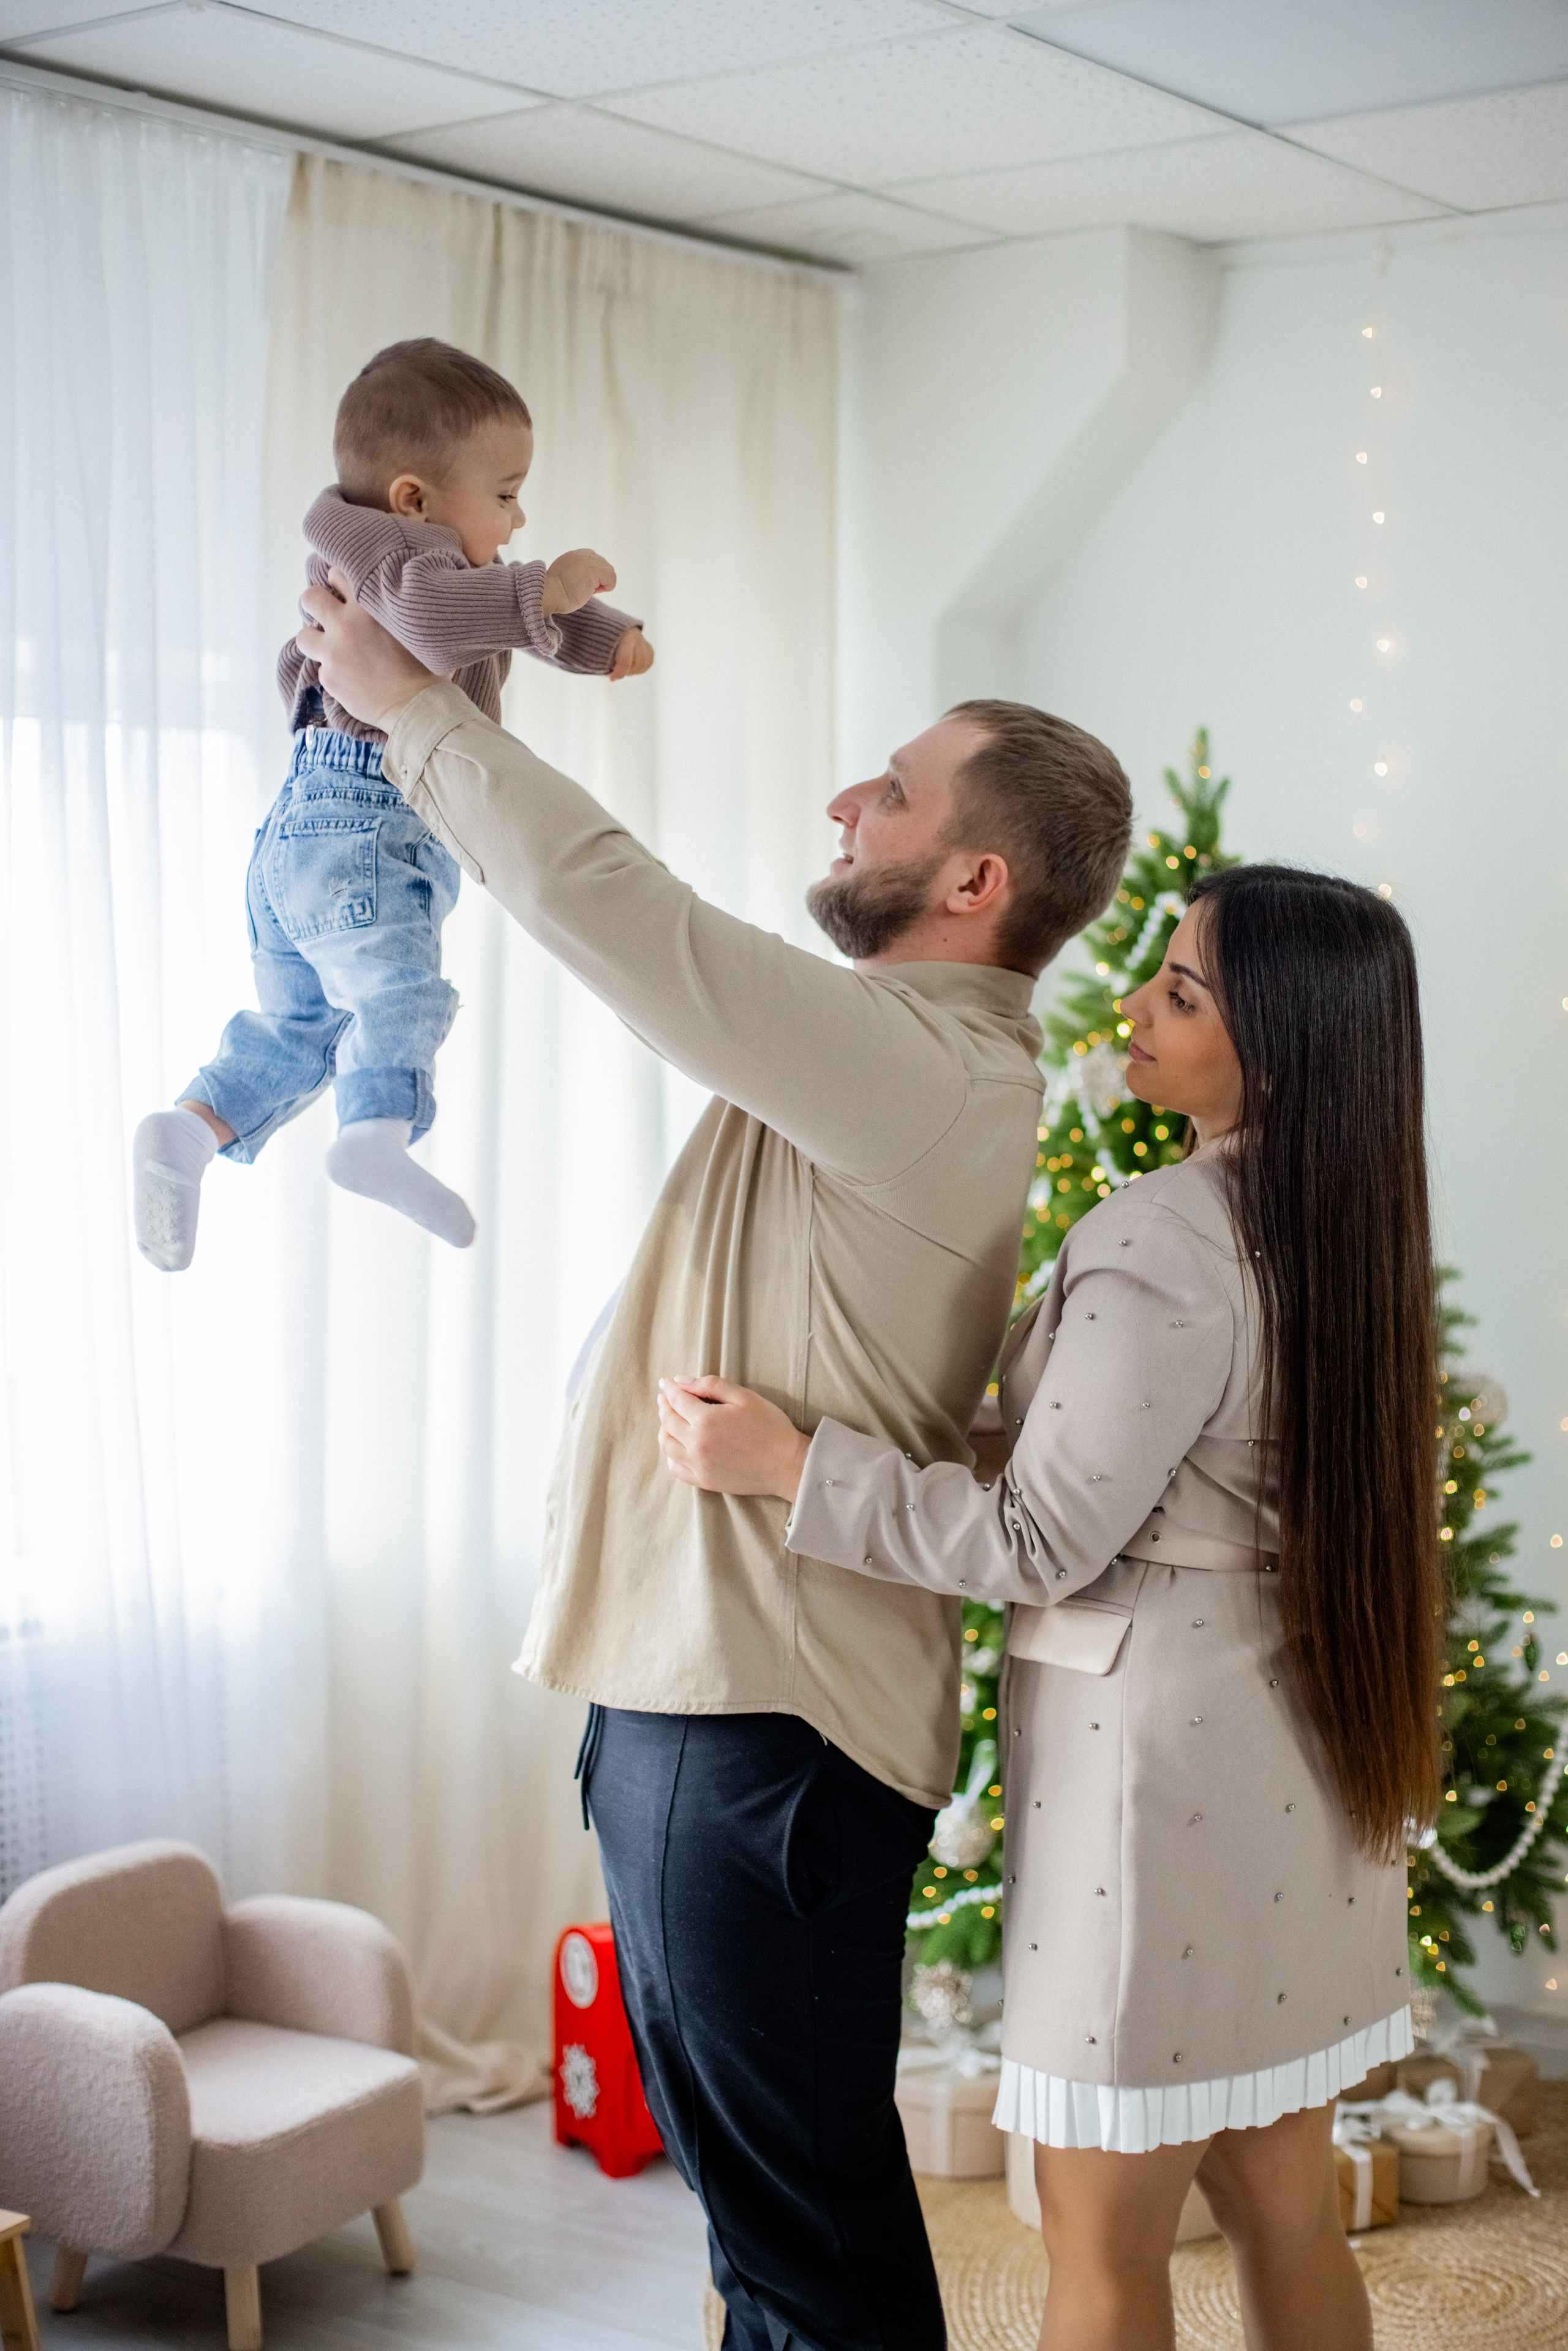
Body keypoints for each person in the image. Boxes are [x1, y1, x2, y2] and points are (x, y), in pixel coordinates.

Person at [293, 567, 1133, 2350]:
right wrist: (445, 700)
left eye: (892, 789)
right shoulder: (886, 1058)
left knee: (798, 2226)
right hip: (717, 1705)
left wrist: (413, 713)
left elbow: (622, 916)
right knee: (761, 2216)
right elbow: (607, 912)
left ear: (978, 882)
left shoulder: (927, 1061)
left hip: (769, 1728)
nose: (846, 798)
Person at [658, 864, 1441, 2351]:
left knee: (1099, 2243)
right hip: (1303, 1761)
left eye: (1182, 991)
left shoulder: (1162, 1236)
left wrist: (790, 1463)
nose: (1133, 1003)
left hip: (1158, 1801)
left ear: (1272, 1047)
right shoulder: (1351, 1230)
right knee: (1287, 2201)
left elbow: (1035, 1537)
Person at [132, 337, 650, 1270]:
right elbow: (459, 617)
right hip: (368, 819)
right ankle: (374, 1134)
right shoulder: (403, 565)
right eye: (504, 493)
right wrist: (551, 586)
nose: (519, 513)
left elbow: (510, 619)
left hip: (304, 829)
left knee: (307, 1027)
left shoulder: (393, 562)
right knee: (397, 990)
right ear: (414, 497)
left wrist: (603, 639)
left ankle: (192, 1128)